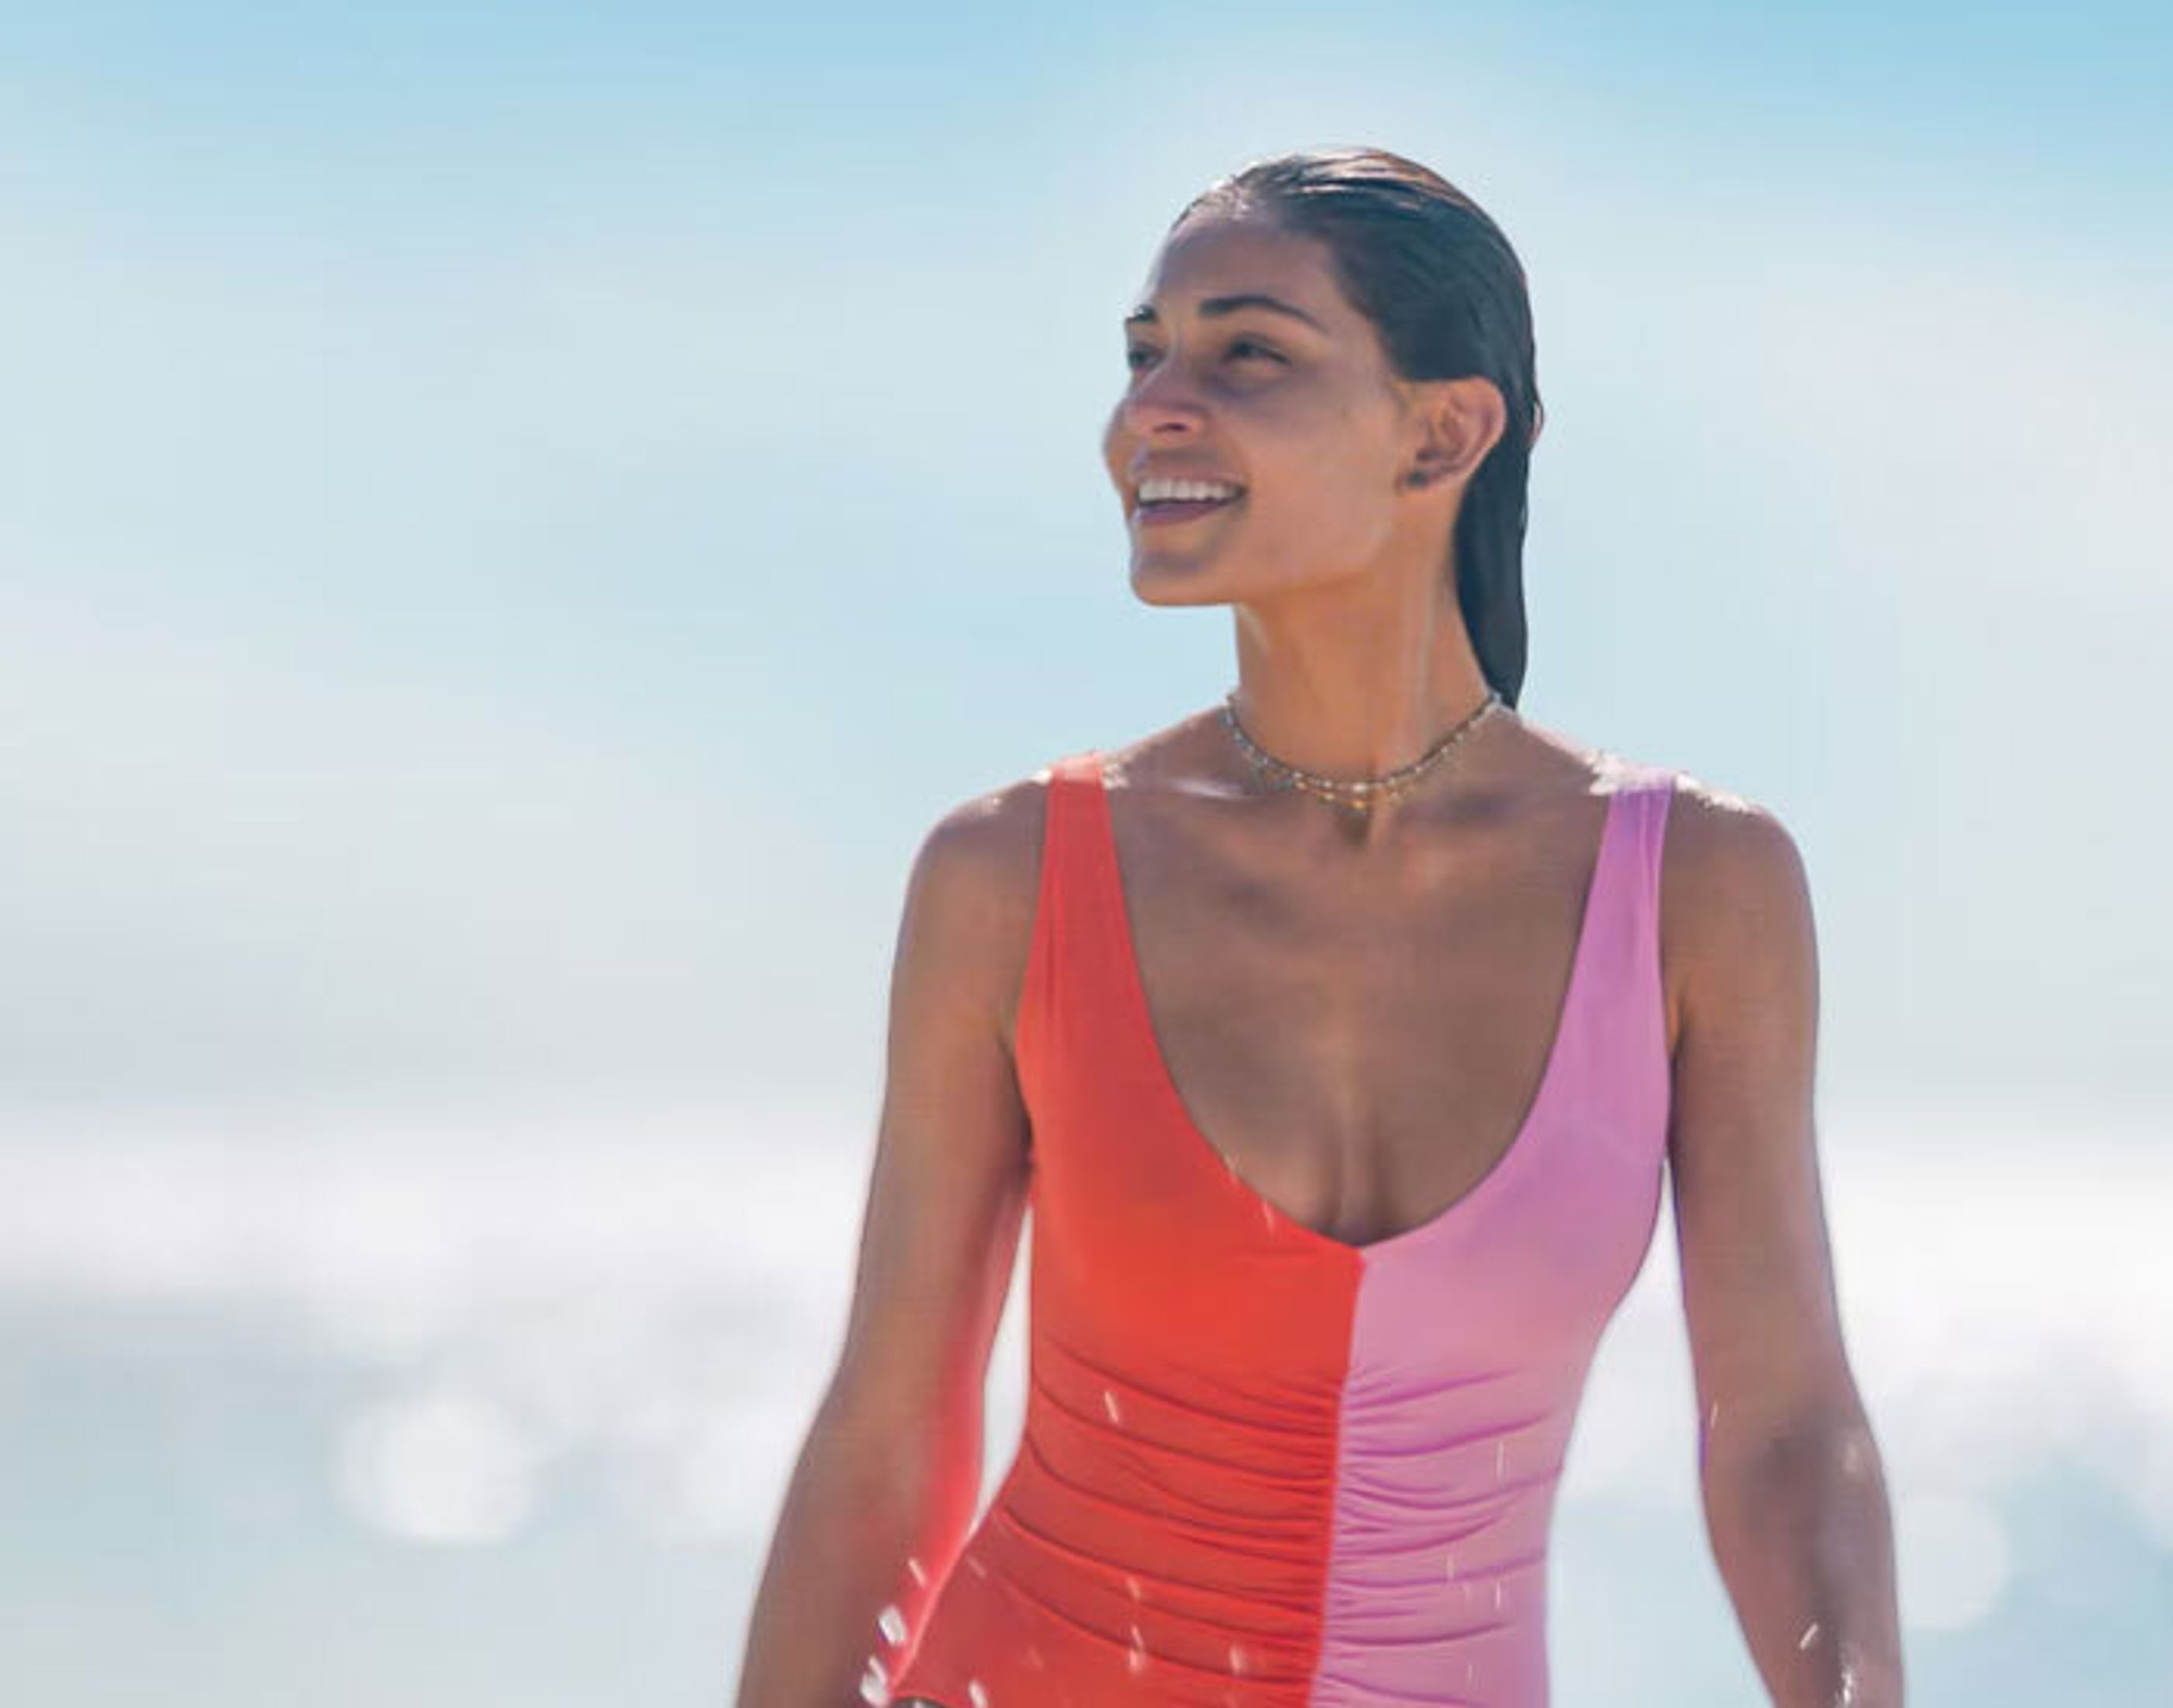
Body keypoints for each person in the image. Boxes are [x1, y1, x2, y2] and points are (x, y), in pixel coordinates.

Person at [734, 146, 1899, 1708]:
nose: (1155, 405)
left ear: (1444, 432)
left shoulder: (1696, 887)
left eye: (1247, 353)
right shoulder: (1013, 874)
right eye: (1145, 352)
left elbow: (1782, 1432)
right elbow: (888, 1445)